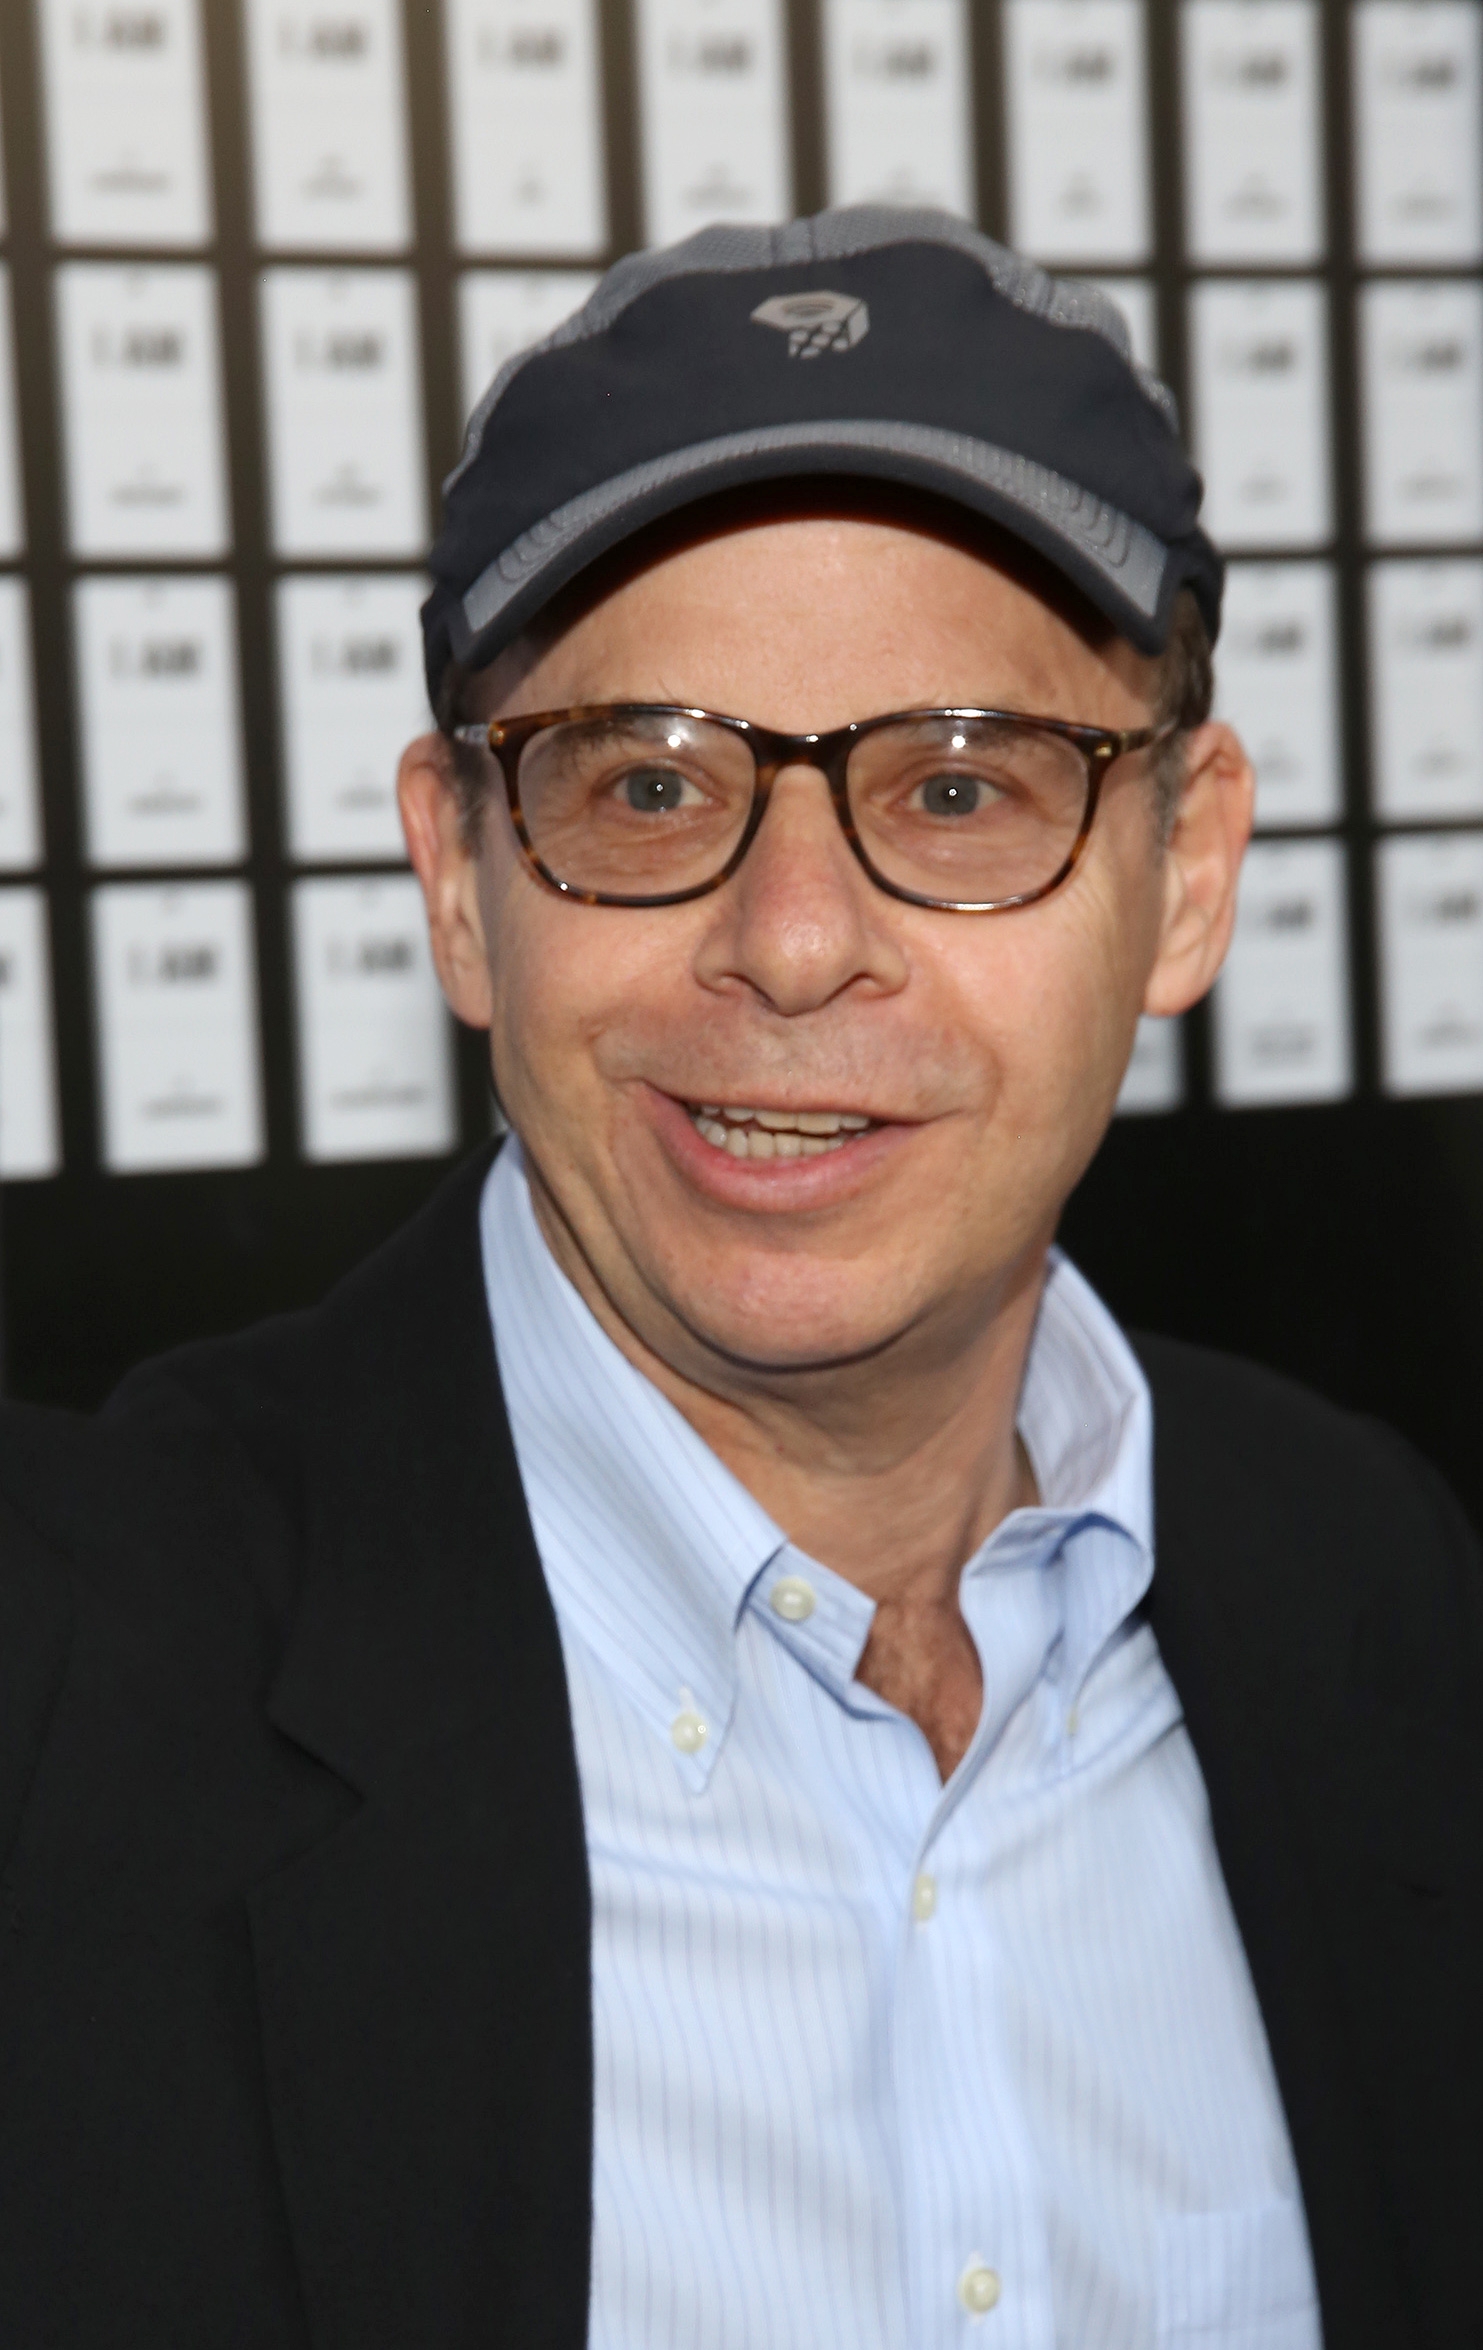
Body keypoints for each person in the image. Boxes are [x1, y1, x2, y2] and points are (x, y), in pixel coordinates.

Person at [0, 208, 1477, 2350]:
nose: (793, 938)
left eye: (959, 782)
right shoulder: (66, 1694)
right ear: (457, 879)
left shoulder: (1377, 1588)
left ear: (1187, 873)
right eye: (649, 782)